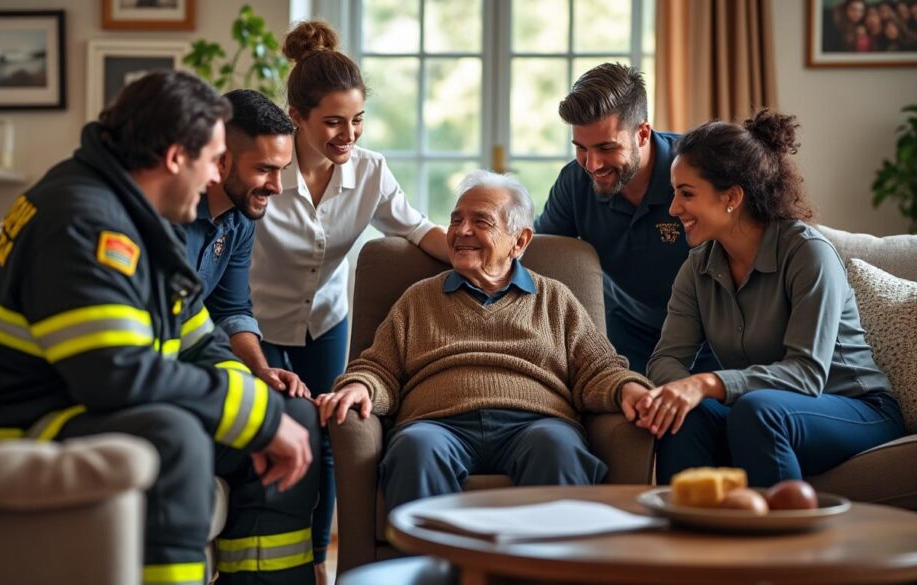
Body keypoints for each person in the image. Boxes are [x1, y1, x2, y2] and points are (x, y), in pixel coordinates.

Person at [0, 71, 315, 585]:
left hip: (76, 399)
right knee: (176, 438)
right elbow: (116, 372)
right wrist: (253, 415)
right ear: (174, 159)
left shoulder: (137, 211)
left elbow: (196, 334)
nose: (214, 178)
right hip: (28, 416)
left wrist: (262, 405)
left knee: (290, 410)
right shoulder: (84, 220)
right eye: (211, 161)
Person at [316, 170, 653, 513]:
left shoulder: (555, 298)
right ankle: (432, 567)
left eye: (481, 221)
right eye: (456, 220)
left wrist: (627, 387)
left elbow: (598, 368)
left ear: (519, 241)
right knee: (414, 448)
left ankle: (546, 568)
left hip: (537, 422)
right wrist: (361, 386)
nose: (462, 231)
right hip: (436, 423)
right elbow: (379, 367)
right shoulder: (418, 298)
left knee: (558, 447)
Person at [249, 20, 449, 580]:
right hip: (257, 323)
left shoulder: (369, 171)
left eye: (357, 120)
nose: (349, 135)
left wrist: (466, 254)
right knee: (272, 429)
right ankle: (263, 563)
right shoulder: (266, 172)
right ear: (297, 118)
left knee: (333, 435)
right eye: (333, 122)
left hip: (326, 321)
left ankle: (316, 561)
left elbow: (415, 228)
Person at [640, 109, 906, 487]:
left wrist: (706, 384)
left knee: (757, 411)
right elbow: (667, 358)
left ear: (731, 197)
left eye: (686, 194)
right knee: (685, 416)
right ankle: (687, 539)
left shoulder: (808, 253)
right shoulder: (697, 268)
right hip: (758, 409)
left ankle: (780, 543)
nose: (673, 208)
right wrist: (679, 393)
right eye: (674, 193)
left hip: (856, 408)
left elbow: (807, 373)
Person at [179, 87, 323, 583]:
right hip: (174, 384)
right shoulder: (169, 214)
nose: (277, 187)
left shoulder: (239, 219)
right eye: (265, 169)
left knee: (300, 411)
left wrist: (261, 370)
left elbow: (231, 310)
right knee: (274, 421)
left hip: (202, 367)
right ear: (220, 160)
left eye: (281, 169)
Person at [534, 62, 716, 374]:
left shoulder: (698, 170)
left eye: (606, 147)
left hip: (710, 338)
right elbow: (539, 258)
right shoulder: (575, 182)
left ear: (643, 133)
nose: (592, 164)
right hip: (625, 336)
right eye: (581, 148)